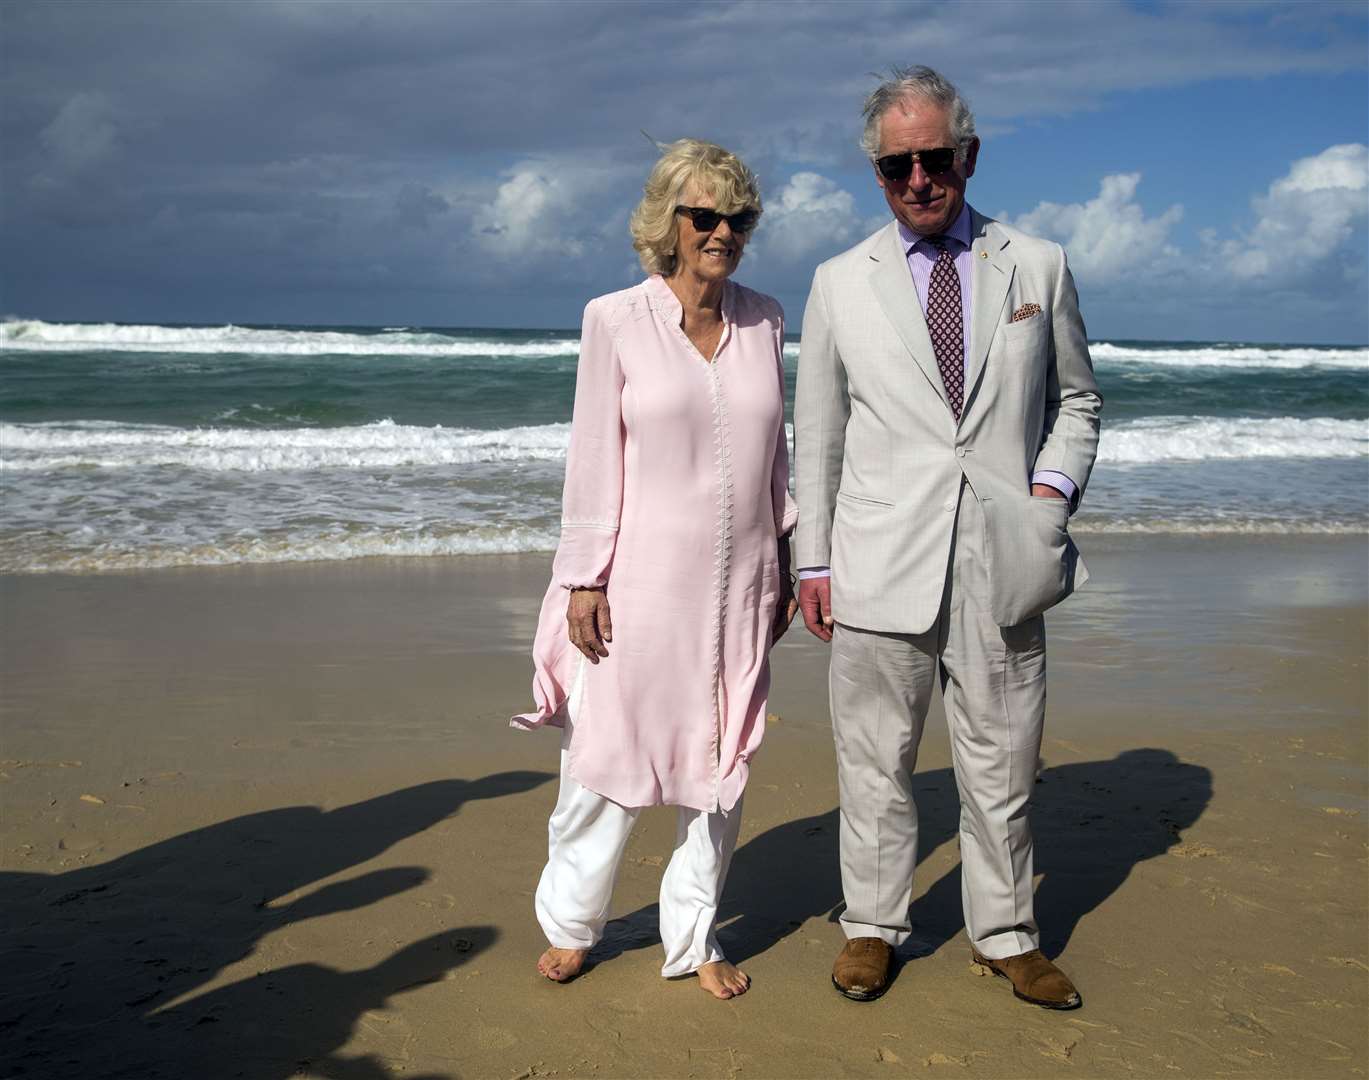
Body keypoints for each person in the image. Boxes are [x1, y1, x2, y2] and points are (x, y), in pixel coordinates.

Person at [793, 66, 1102, 1008]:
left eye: (934, 159)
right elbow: (820, 432)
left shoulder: (1035, 264)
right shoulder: (839, 282)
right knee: (875, 760)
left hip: (1003, 556)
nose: (919, 179)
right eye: (897, 166)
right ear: (877, 173)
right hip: (880, 556)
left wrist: (1047, 496)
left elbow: (1077, 400)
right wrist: (813, 558)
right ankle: (873, 927)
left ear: (966, 155)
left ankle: (1006, 931)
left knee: (1002, 760)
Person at [513, 139, 798, 1000]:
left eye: (736, 218)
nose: (722, 232)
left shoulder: (766, 318)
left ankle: (694, 938)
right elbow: (593, 456)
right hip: (638, 583)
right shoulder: (615, 318)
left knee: (719, 763)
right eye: (704, 216)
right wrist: (582, 578)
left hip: (742, 584)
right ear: (668, 226)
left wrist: (789, 553)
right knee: (606, 756)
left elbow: (775, 454)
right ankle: (571, 924)